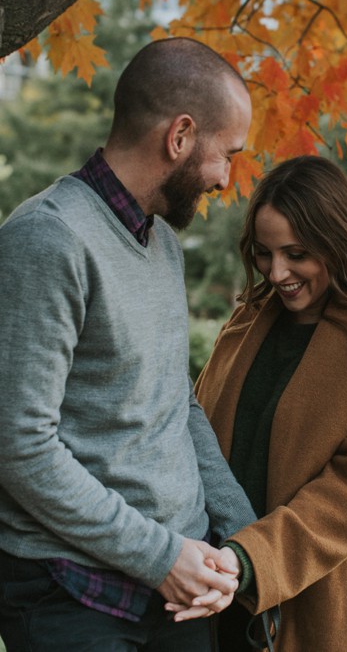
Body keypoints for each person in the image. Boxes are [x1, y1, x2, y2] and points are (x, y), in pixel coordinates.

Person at [0, 37, 257, 651]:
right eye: (227, 154)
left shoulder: (162, 242)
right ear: (180, 136)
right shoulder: (48, 240)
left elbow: (177, 405)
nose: (226, 177)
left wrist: (245, 540)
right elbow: (20, 446)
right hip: (72, 593)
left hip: (179, 587)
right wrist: (162, 556)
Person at [191, 155, 347, 651]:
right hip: (226, 588)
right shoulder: (246, 324)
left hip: (332, 598)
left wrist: (249, 558)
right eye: (263, 253)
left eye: (296, 253)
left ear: (336, 243)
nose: (276, 272)